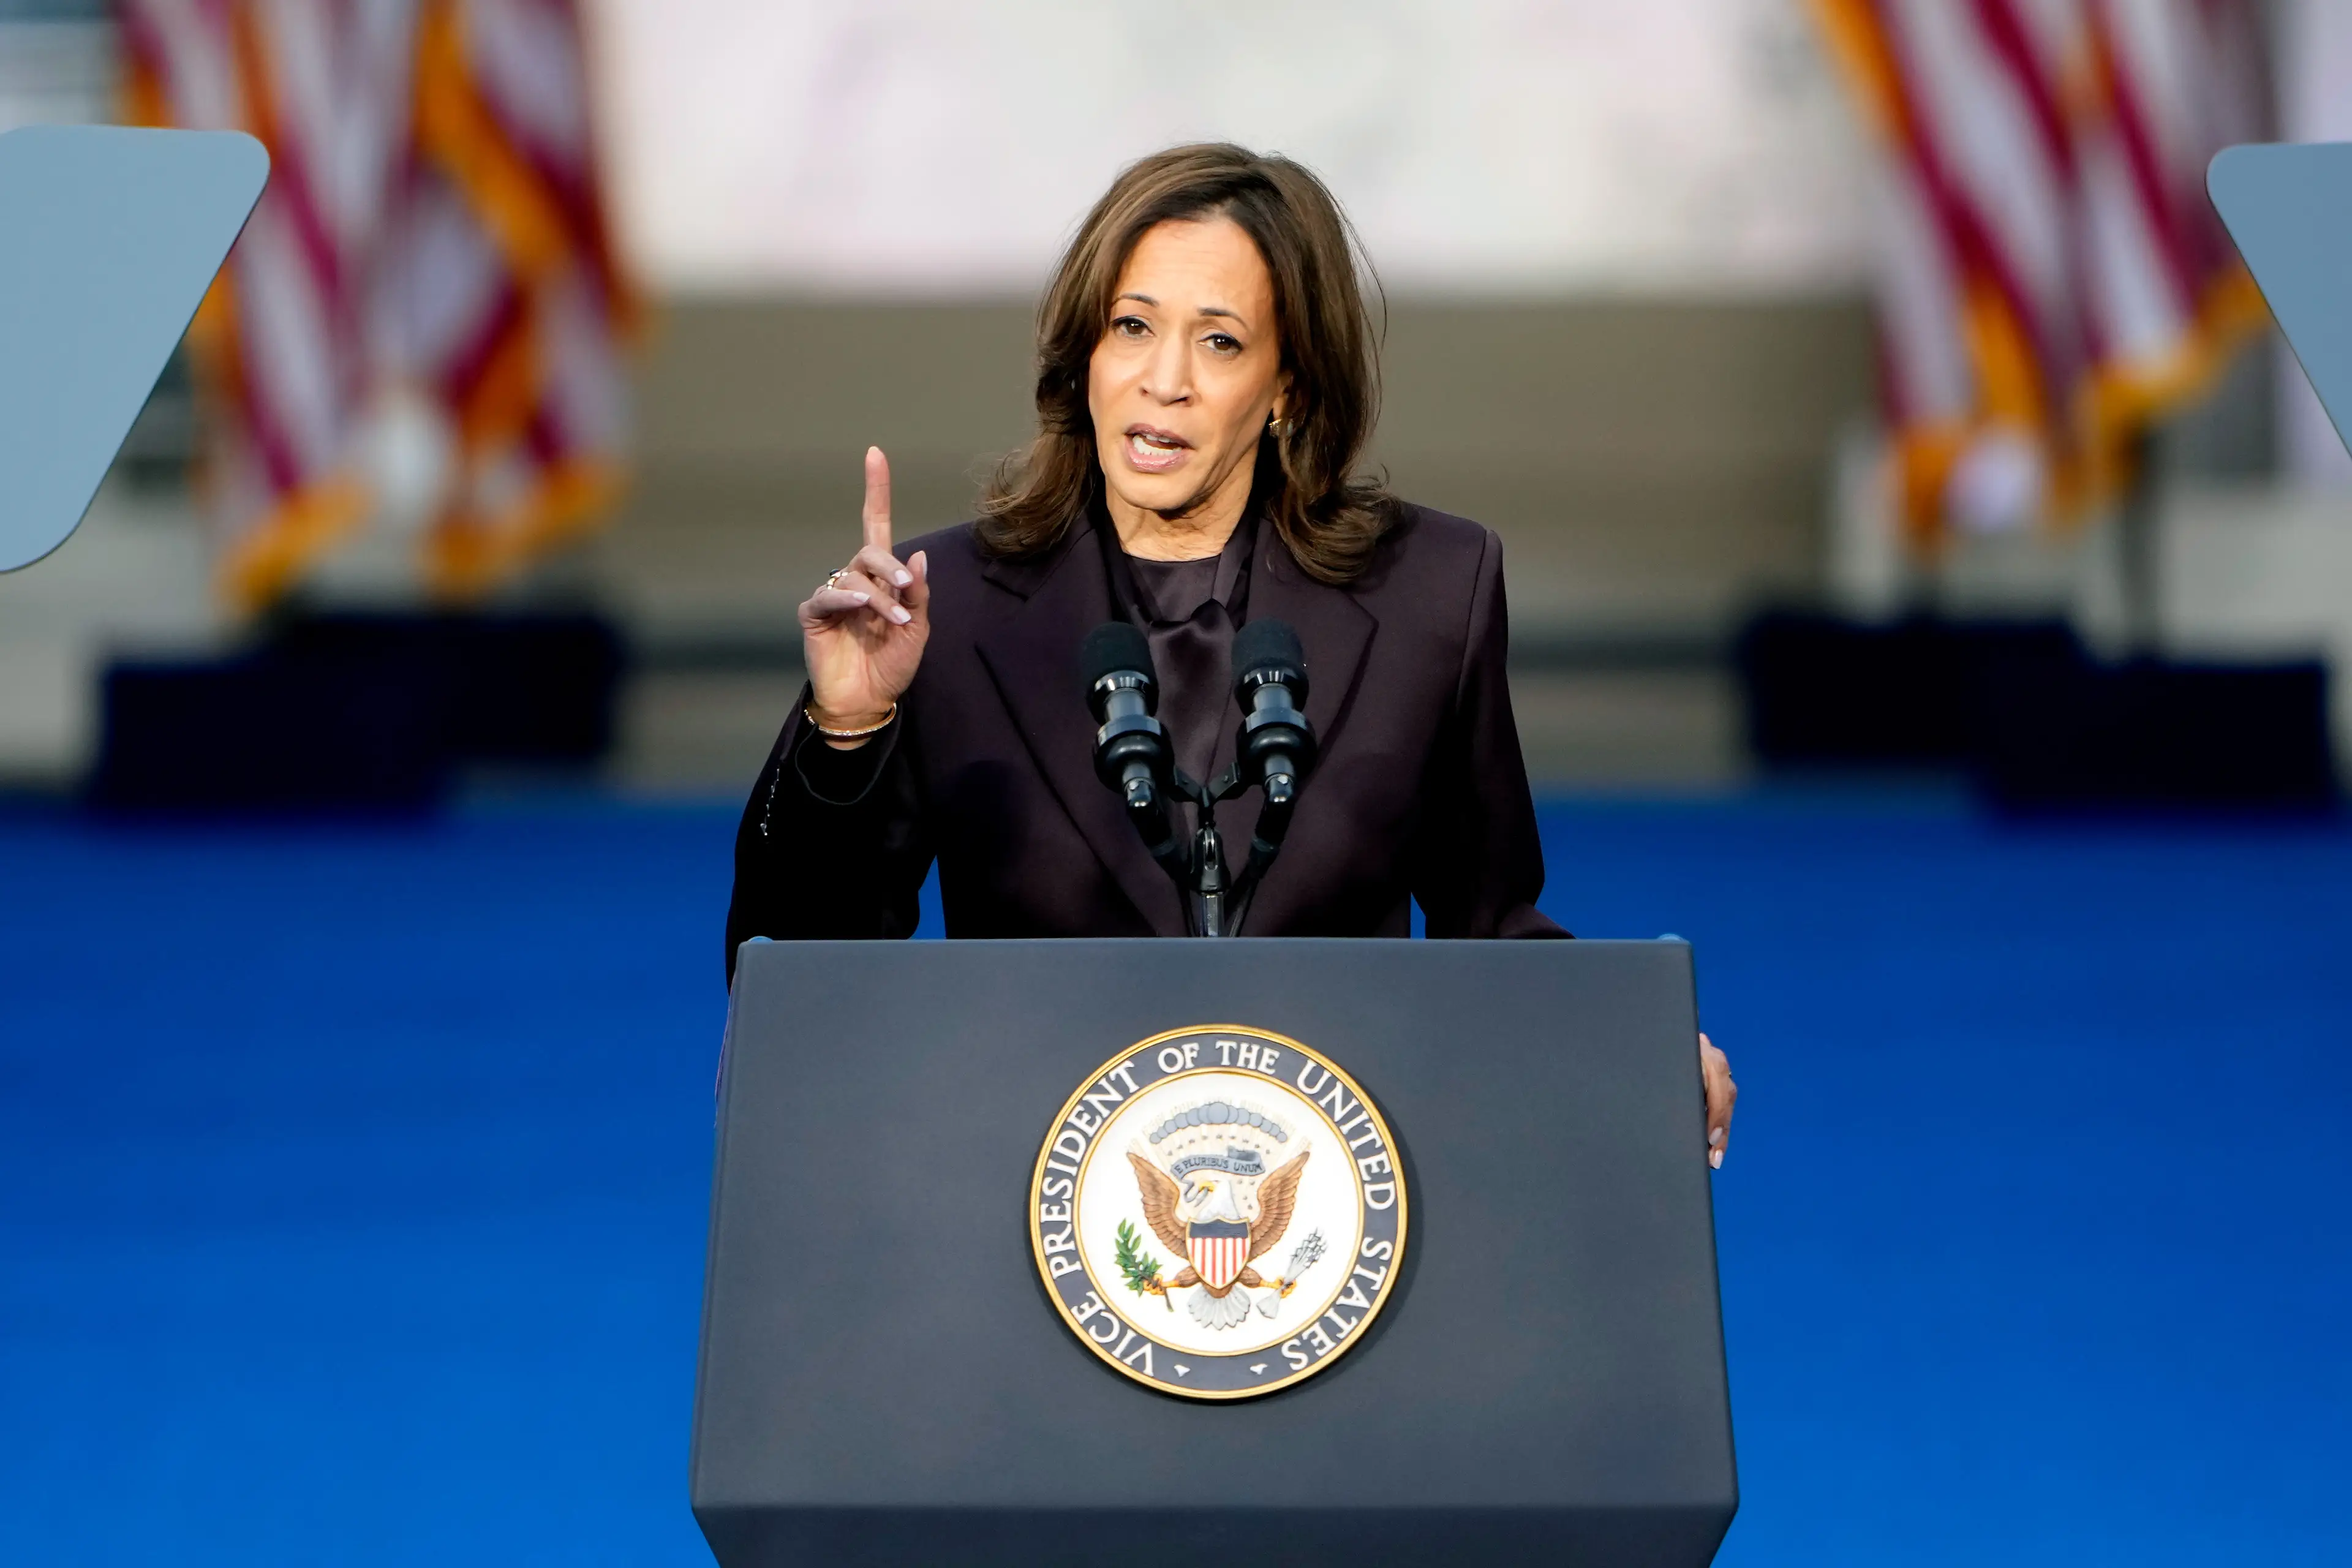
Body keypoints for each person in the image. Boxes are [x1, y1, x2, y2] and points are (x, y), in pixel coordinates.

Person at [725, 144, 1736, 1166]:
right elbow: (798, 976)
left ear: (1287, 384)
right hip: (1030, 1183)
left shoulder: (1432, 590)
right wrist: (848, 728)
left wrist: (1628, 1041)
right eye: (1133, 327)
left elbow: (1494, 927)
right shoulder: (947, 605)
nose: (1163, 382)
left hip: (1337, 1206)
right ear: (1087, 355)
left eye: (1218, 342)